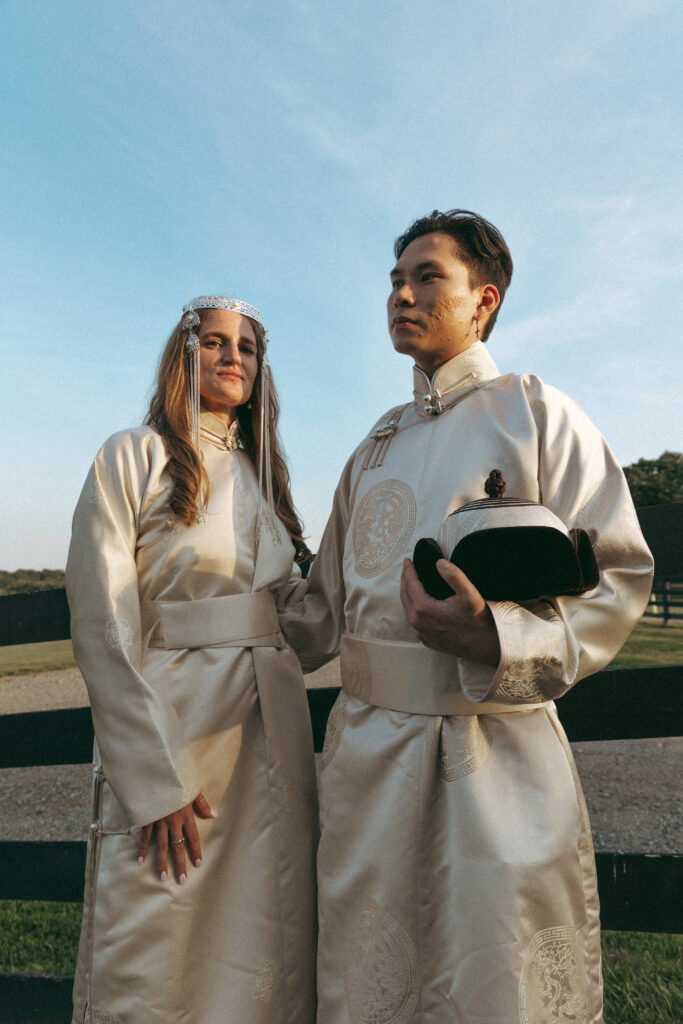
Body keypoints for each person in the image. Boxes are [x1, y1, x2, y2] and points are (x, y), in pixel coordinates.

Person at [279, 212, 654, 1023]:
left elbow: (618, 572)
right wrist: (198, 609)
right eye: (393, 279)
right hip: (366, 763)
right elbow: (312, 614)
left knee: (493, 982)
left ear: (483, 301)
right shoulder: (372, 447)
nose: (400, 294)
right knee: (371, 983)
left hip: (492, 754)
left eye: (425, 277)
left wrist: (494, 638)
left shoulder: (534, 413)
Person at [67, 295, 317, 1024]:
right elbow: (101, 621)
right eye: (213, 341)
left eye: (247, 346)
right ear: (183, 354)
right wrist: (152, 776)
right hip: (177, 739)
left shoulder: (266, 481)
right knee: (158, 939)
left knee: (265, 943)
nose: (232, 355)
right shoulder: (132, 455)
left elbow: (307, 623)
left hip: (268, 743)